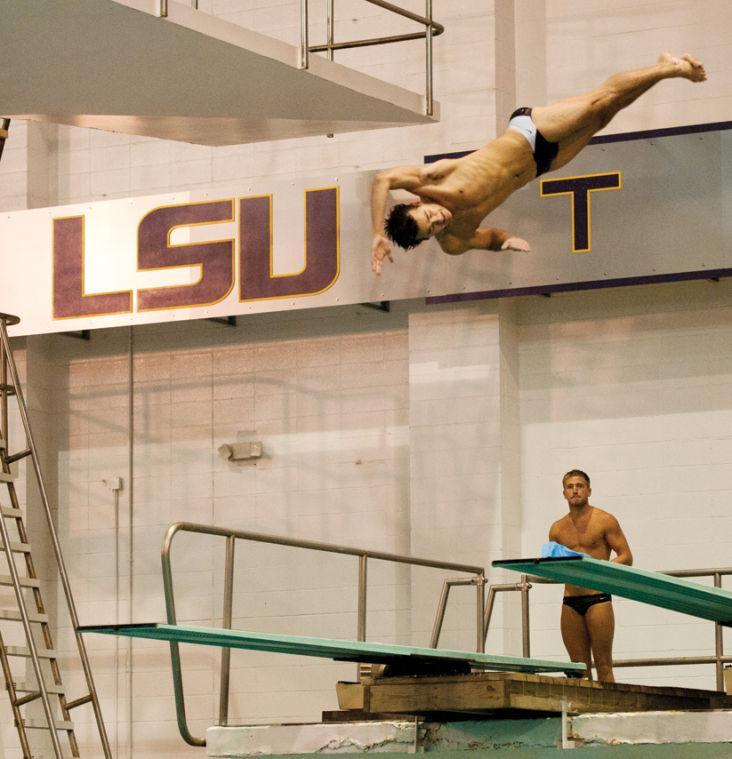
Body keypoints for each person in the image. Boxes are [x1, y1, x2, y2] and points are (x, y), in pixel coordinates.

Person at [370, 53, 706, 274]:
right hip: (544, 163)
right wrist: (507, 242)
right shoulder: (454, 239)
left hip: (529, 131)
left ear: (416, 202)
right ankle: (662, 67)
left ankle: (670, 68)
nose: (440, 219)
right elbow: (487, 238)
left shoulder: (430, 180)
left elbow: (382, 179)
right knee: (605, 115)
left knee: (595, 103)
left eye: (429, 216)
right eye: (434, 228)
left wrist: (376, 234)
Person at [548, 469, 632, 683]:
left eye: (580, 486)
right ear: (564, 493)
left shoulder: (604, 520)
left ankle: (611, 714)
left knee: (603, 664)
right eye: (570, 487)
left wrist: (599, 570)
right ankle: (584, 714)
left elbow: (626, 556)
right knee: (578, 668)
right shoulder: (557, 529)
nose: (575, 490)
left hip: (598, 599)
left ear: (589, 490)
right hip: (570, 601)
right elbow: (554, 565)